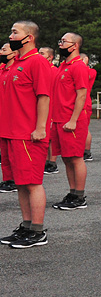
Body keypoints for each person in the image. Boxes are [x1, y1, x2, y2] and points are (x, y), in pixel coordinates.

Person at [0, 21, 52, 248]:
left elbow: (44, 96)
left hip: (28, 134)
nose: (11, 36)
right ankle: (27, 225)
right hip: (11, 133)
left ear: (29, 37)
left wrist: (40, 127)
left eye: (15, 32)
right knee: (20, 183)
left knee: (32, 182)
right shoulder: (15, 63)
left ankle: (38, 231)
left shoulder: (37, 61)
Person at [50, 32, 91, 210]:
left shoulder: (78, 67)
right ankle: (72, 192)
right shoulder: (63, 66)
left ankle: (79, 196)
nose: (60, 44)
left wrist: (73, 120)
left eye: (64, 41)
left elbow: (81, 94)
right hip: (60, 119)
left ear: (74, 46)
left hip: (72, 120)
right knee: (67, 159)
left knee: (75, 158)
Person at [38, 47, 59, 176]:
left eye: (42, 53)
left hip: (52, 106)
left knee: (51, 137)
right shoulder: (40, 69)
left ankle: (52, 162)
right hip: (42, 106)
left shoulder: (54, 71)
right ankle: (45, 160)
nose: (39, 55)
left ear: (50, 57)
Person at [0, 42, 17, 193]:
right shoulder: (2, 69)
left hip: (14, 120)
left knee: (13, 155)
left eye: (4, 50)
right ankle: (7, 179)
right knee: (4, 154)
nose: (1, 52)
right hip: (3, 118)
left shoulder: (16, 70)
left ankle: (15, 180)